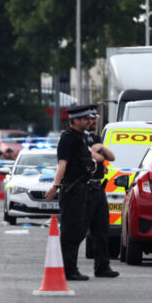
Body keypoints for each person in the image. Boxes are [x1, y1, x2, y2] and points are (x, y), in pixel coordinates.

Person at [44, 104, 99, 281]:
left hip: (82, 189)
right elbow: (63, 164)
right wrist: (56, 186)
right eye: (85, 119)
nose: (89, 121)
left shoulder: (82, 137)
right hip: (72, 189)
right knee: (70, 231)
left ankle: (70, 267)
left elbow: (86, 160)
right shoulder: (68, 138)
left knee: (78, 230)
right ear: (75, 121)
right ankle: (68, 269)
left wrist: (92, 165)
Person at [84, 112, 120, 278]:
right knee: (77, 231)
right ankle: (68, 267)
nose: (93, 122)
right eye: (90, 119)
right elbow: (96, 158)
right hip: (84, 189)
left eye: (94, 119)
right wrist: (95, 151)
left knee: (102, 231)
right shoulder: (79, 138)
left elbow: (110, 157)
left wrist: (102, 147)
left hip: (98, 189)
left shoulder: (96, 138)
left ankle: (102, 267)